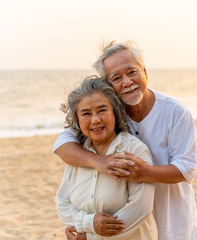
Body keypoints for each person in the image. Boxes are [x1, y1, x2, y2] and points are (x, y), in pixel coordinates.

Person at [53, 41, 197, 240]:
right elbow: (62, 144)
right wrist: (101, 162)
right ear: (108, 86)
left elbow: (186, 168)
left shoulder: (175, 112)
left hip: (174, 223)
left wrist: (144, 172)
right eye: (116, 78)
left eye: (131, 72)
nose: (126, 82)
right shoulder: (108, 115)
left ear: (145, 71)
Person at [55, 76, 158, 240]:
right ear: (78, 120)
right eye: (86, 113)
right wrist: (89, 223)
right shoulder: (78, 154)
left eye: (102, 110)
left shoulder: (134, 150)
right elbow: (62, 204)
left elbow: (140, 211)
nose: (95, 120)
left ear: (115, 112)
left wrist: (89, 236)